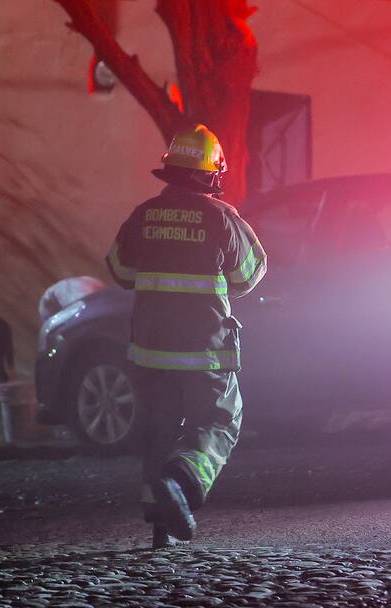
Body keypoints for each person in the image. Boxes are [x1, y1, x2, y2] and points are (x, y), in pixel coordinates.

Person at [105, 124, 267, 549]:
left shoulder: (143, 215)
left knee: (159, 429)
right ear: (209, 173)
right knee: (219, 420)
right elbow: (249, 275)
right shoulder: (221, 217)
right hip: (203, 353)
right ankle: (181, 483)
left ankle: (160, 517)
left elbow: (120, 271)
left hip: (150, 352)